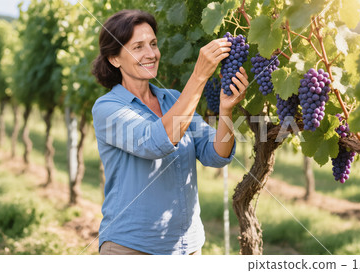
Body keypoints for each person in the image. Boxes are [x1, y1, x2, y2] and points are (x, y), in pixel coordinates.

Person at [91, 9, 248, 255]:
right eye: (138, 47)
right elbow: (156, 142)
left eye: (153, 44)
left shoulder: (173, 100)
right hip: (132, 249)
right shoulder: (107, 108)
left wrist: (226, 111)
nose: (151, 54)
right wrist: (199, 75)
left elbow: (216, 154)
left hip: (188, 247)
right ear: (114, 59)